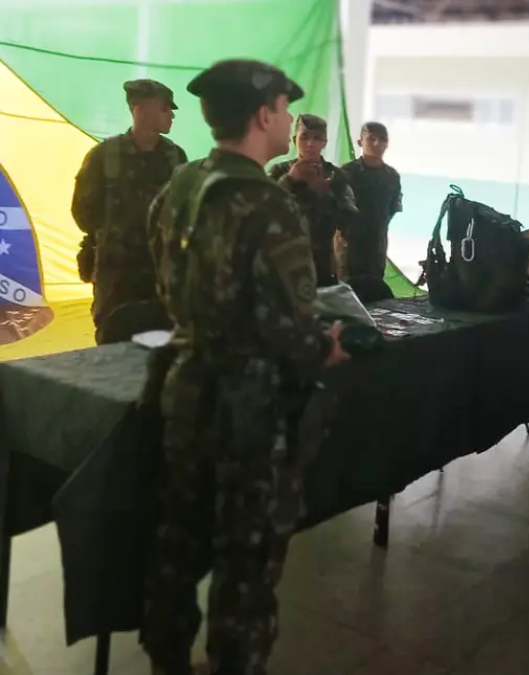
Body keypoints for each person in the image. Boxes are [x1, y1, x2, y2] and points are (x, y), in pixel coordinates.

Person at [140, 58, 350, 675]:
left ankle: (166, 661)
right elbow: (289, 328)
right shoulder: (269, 203)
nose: (289, 121)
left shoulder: (177, 185)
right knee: (245, 561)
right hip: (249, 409)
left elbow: (168, 281)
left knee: (176, 545)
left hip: (184, 388)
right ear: (264, 115)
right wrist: (325, 349)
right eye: (285, 110)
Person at [71, 78, 187, 344]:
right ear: (140, 109)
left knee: (163, 350)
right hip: (118, 279)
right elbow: (83, 212)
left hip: (161, 275)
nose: (171, 115)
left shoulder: (175, 156)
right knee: (112, 347)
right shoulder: (104, 156)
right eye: (165, 108)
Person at [268, 114, 357, 287]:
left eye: (317, 138)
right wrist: (290, 180)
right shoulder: (279, 172)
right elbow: (263, 209)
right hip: (284, 262)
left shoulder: (336, 176)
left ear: (324, 143)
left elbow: (349, 222)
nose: (310, 144)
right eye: (304, 137)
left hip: (322, 264)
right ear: (295, 140)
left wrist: (324, 195)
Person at [340, 121, 402, 301]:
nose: (377, 144)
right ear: (360, 142)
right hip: (349, 248)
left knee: (376, 297)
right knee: (347, 296)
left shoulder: (391, 176)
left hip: (376, 247)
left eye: (382, 139)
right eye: (371, 138)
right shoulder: (346, 173)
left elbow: (392, 209)